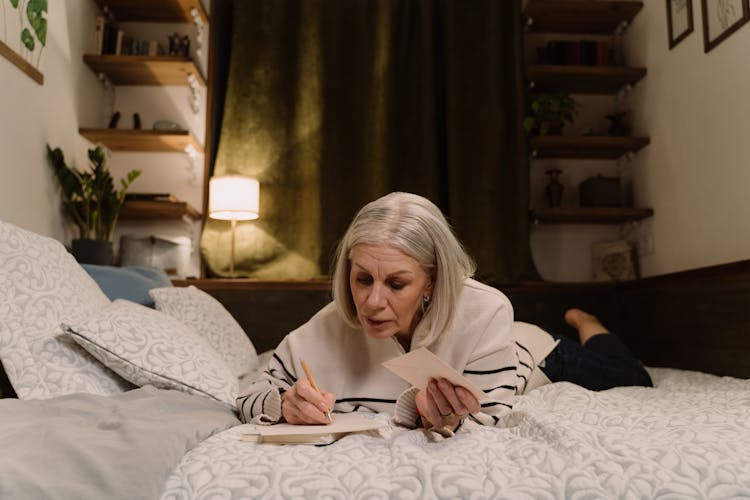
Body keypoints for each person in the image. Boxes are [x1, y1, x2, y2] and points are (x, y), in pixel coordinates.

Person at [236, 192, 652, 433]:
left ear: (432, 280)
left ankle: (588, 324)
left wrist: (438, 417)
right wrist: (283, 405)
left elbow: (490, 418)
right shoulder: (327, 326)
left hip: (535, 352)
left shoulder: (487, 310)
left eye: (397, 284)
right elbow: (248, 397)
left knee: (633, 377)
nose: (373, 302)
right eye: (363, 279)